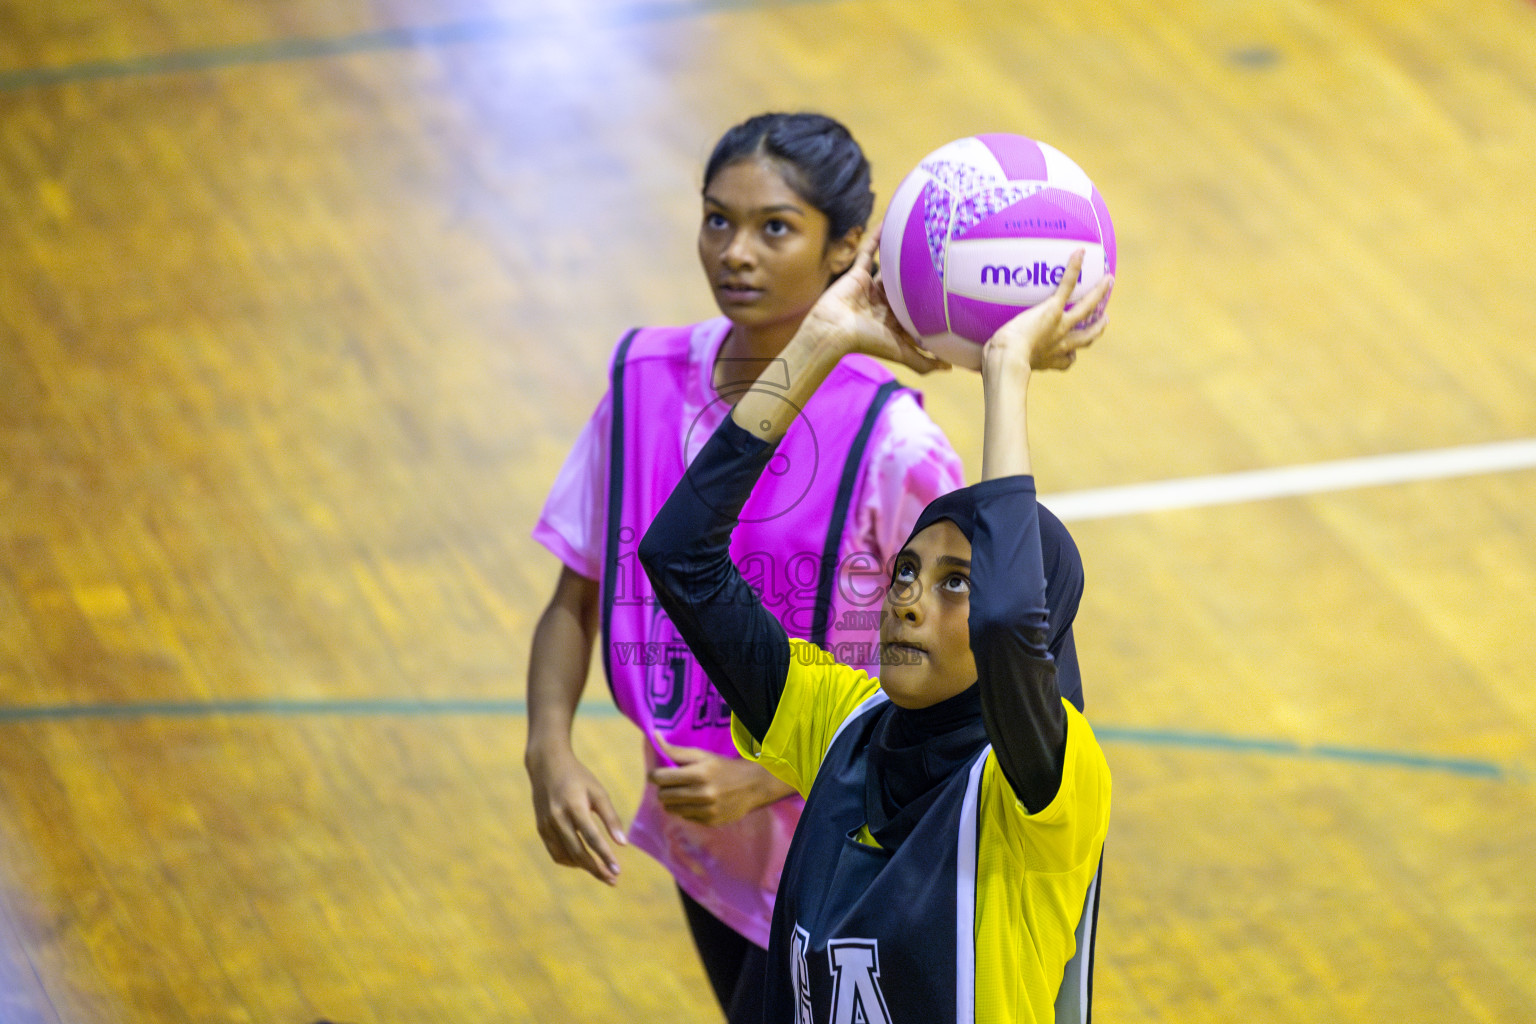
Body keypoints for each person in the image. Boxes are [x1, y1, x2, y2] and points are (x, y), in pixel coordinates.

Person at [524, 112, 968, 1022]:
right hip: (711, 850)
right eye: (717, 219)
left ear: (846, 247)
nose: (736, 252)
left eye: (775, 227)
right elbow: (578, 590)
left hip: (845, 853)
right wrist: (549, 750)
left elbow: (965, 683)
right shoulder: (645, 382)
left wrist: (769, 772)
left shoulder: (896, 442)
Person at [638, 236, 1113, 1023]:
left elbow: (1005, 627)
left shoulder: (1045, 788)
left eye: (954, 581)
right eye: (906, 570)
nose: (908, 600)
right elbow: (680, 554)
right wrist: (820, 341)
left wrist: (1006, 372)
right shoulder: (839, 723)